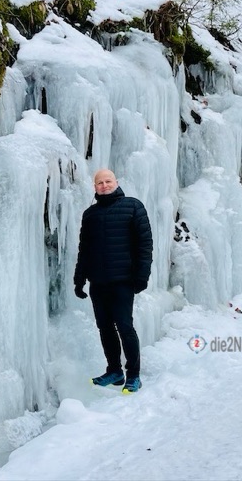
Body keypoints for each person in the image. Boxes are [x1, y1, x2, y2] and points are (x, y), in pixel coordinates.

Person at [74, 168, 153, 394]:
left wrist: (141, 275)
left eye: (108, 181)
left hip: (123, 280)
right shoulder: (90, 215)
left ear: (116, 182)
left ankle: (134, 375)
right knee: (104, 327)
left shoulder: (133, 206)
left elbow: (144, 244)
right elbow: (84, 250)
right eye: (99, 182)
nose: (104, 185)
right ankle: (114, 371)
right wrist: (79, 280)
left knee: (124, 326)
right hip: (98, 282)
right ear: (95, 186)